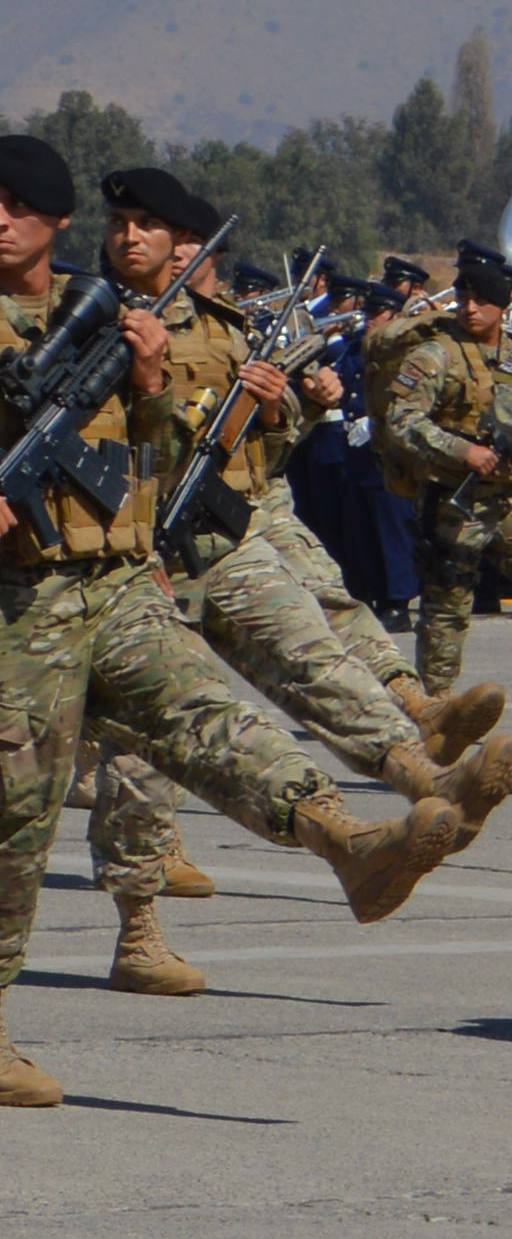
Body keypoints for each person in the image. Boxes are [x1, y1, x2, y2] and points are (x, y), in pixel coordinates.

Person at [0, 135, 478, 1106]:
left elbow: (169, 458)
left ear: (56, 222)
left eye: (16, 205)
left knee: (210, 717)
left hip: (120, 584)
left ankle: (349, 844)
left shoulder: (107, 316)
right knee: (11, 824)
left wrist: (148, 384)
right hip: (6, 607)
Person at [69, 177, 511, 992]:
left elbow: (251, 457)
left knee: (316, 653)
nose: (131, 238)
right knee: (145, 752)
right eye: (119, 223)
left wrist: (279, 414)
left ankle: (426, 777)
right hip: (121, 559)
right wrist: (148, 382)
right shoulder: (83, 319)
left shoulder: (222, 328)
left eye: (150, 226)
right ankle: (139, 927)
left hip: (216, 537)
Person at [365, 245, 508, 697]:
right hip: (455, 498)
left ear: (502, 304)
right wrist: (462, 451)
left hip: (506, 496)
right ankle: (438, 703)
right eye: (463, 298)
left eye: (481, 300)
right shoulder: (435, 354)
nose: (469, 308)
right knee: (447, 602)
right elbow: (402, 420)